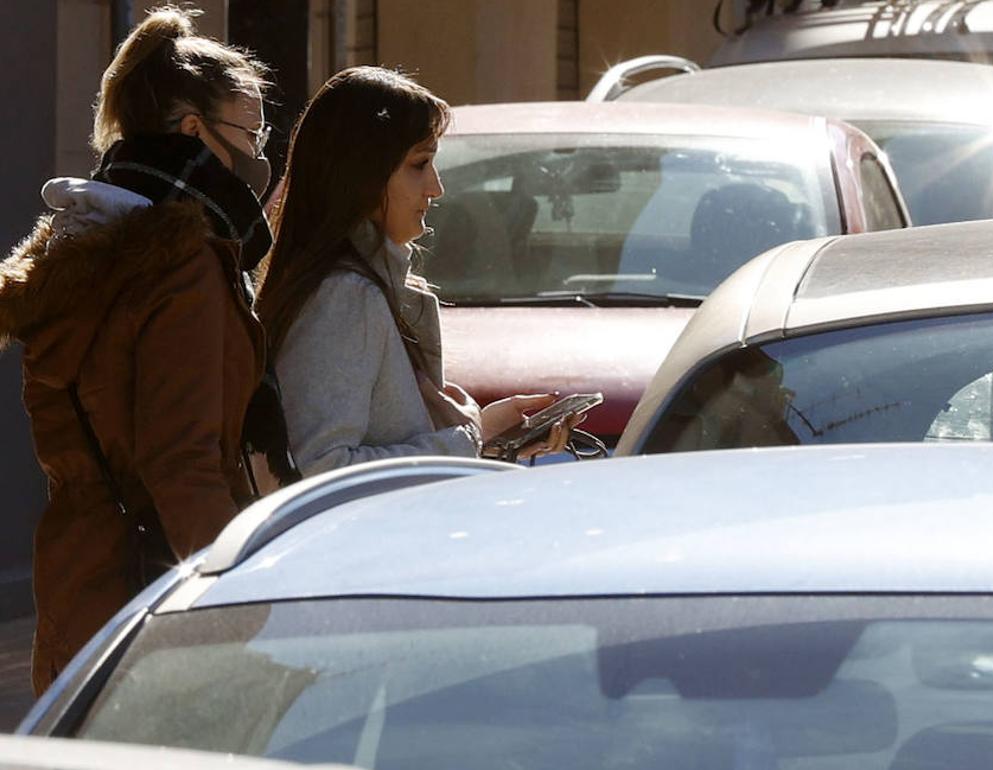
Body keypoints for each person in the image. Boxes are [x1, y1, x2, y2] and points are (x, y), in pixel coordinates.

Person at [0, 7, 281, 693]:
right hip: (160, 592)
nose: (259, 154)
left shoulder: (83, 244)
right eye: (251, 132)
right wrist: (237, 604)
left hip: (81, 570)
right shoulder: (178, 263)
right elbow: (181, 462)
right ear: (193, 131)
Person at [257, 67, 573, 475]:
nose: (436, 187)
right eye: (419, 164)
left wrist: (487, 438)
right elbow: (321, 469)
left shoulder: (363, 287)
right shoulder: (345, 296)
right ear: (362, 174)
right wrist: (472, 437)